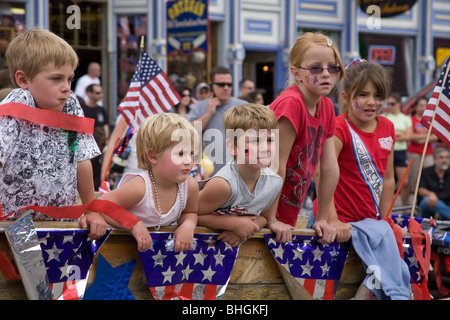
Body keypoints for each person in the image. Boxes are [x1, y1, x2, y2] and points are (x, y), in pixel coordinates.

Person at [0, 29, 106, 239]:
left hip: (62, 224)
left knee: (60, 271)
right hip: (13, 226)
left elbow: (81, 159)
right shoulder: (14, 106)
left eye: (70, 79)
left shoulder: (71, 104)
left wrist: (90, 209)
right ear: (23, 79)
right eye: (56, 79)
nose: (66, 87)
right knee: (20, 273)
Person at [263, 32, 343, 244]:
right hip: (259, 210)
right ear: (296, 74)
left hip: (288, 210)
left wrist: (323, 218)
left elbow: (328, 168)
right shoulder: (291, 103)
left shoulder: (326, 106)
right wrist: (270, 219)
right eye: (316, 68)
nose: (326, 73)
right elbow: (274, 166)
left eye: (332, 67)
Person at [97, 113, 199, 252]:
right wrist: (133, 223)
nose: (188, 160)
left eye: (191, 153)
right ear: (152, 156)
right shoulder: (140, 187)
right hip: (120, 254)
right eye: (180, 154)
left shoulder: (190, 186)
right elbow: (100, 206)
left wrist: (188, 225)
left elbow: (190, 212)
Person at [197, 104, 283, 247]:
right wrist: (233, 223)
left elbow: (266, 217)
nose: (264, 148)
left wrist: (245, 228)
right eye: (255, 141)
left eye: (269, 140)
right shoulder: (223, 185)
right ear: (232, 147)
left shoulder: (274, 182)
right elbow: (188, 213)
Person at [188, 66, 248, 175]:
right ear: (212, 85)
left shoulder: (243, 106)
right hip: (209, 173)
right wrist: (209, 113)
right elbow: (188, 133)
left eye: (229, 84)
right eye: (221, 84)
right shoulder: (200, 107)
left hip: (238, 172)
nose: (225, 88)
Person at [384, 93, 412, 207]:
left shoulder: (405, 118)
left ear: (399, 104)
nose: (389, 106)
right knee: (386, 182)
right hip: (387, 151)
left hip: (400, 151)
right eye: (388, 103)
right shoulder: (385, 117)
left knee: (404, 182)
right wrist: (399, 134)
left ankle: (405, 206)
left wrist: (394, 135)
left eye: (392, 103)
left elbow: (408, 136)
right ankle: (387, 206)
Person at [407, 96, 438, 193]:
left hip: (428, 153)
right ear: (415, 107)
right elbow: (411, 136)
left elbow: (435, 137)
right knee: (414, 178)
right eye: (421, 105)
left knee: (430, 175)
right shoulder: (410, 120)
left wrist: (419, 138)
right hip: (414, 153)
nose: (424, 108)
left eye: (425, 105)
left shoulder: (430, 120)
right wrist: (426, 137)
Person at [83, 84, 110, 191]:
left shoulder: (101, 110)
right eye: (97, 93)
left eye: (101, 92)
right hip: (87, 148)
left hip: (100, 146)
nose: (101, 95)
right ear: (89, 94)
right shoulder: (83, 109)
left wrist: (106, 142)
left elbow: (106, 127)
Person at [418, 147, 450, 220]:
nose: (444, 160)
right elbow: (421, 190)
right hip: (430, 204)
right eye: (441, 157)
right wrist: (430, 194)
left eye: (447, 157)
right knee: (426, 200)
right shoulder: (425, 172)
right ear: (434, 159)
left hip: (446, 203)